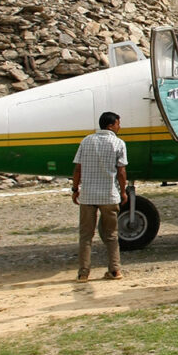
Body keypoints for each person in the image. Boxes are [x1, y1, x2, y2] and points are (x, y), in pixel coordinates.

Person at [71, 111, 129, 282]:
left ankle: (83, 273)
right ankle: (114, 270)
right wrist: (123, 191)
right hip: (109, 195)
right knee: (111, 235)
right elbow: (121, 171)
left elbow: (78, 169)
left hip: (88, 196)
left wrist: (75, 189)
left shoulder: (86, 141)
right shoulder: (118, 143)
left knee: (86, 236)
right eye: (118, 123)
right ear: (111, 125)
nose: (120, 126)